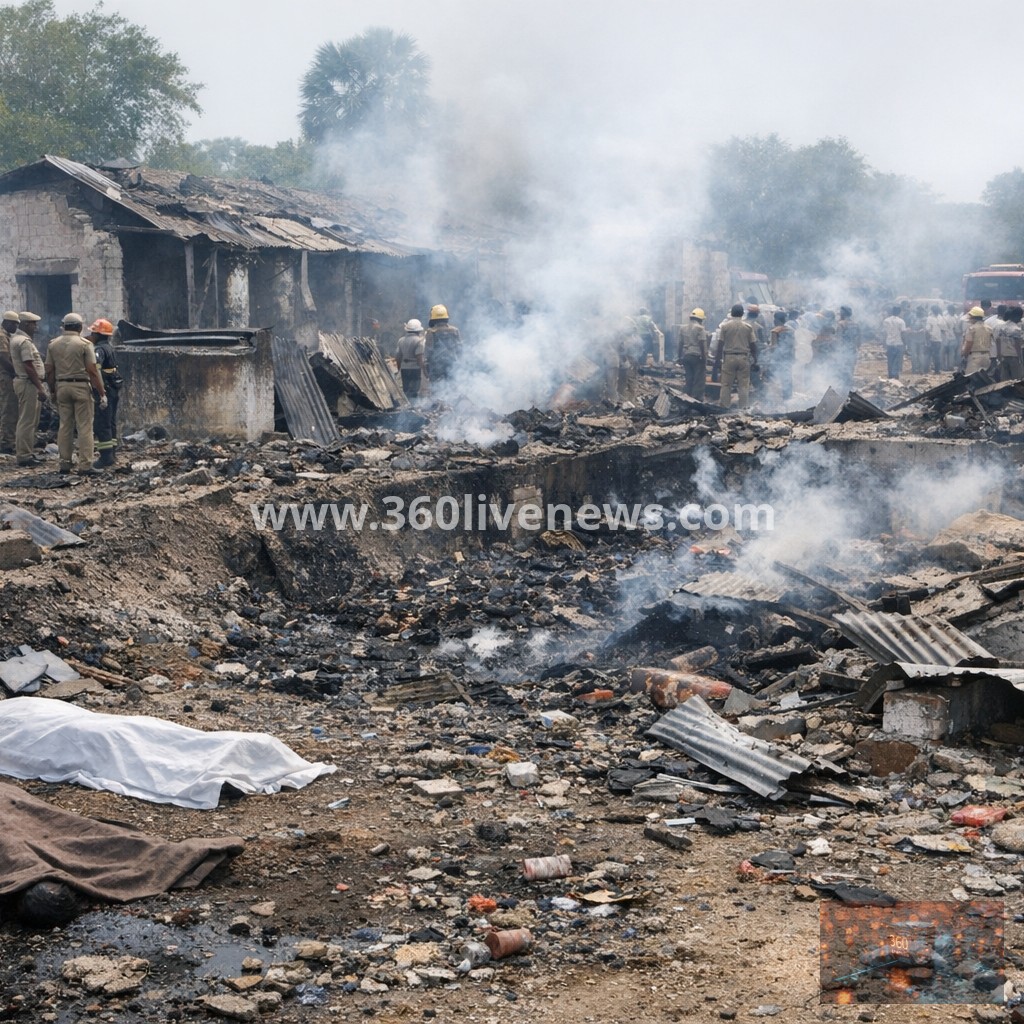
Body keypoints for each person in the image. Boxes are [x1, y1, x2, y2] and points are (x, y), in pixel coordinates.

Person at [44, 313, 106, 476]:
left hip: (62, 386)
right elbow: (92, 371)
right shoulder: (85, 344)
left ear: (64, 326)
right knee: (85, 427)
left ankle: (64, 464)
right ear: (79, 327)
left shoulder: (53, 345)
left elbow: (49, 371)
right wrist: (101, 392)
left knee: (65, 426)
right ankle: (85, 465)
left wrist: (52, 390)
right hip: (80, 387)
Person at [10, 312, 48, 467]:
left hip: (26, 382)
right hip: (28, 383)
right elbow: (29, 366)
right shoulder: (24, 341)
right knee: (27, 420)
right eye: (33, 324)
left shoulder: (16, 339)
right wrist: (40, 388)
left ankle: (28, 452)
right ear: (26, 324)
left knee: (31, 420)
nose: (36, 327)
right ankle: (24, 456)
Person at [83, 319, 122, 468]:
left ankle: (106, 458)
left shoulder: (98, 350)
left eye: (93, 333)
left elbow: (95, 369)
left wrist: (100, 391)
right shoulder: (109, 347)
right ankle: (112, 453)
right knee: (111, 421)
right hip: (113, 387)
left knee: (102, 423)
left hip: (105, 388)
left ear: (98, 334)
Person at [717, 303, 757, 409]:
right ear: (743, 314)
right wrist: (755, 359)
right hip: (743, 358)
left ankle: (724, 408)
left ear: (732, 313)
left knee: (726, 385)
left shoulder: (725, 326)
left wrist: (718, 360)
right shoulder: (748, 327)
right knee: (743, 385)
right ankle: (743, 409)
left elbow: (720, 344)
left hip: (729, 357)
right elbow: (753, 344)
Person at [425, 304, 462, 383]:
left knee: (438, 390)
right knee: (452, 388)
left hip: (436, 368)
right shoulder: (455, 330)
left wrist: (426, 364)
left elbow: (428, 351)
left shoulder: (431, 332)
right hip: (452, 365)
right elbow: (459, 349)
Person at [676, 308, 708, 399]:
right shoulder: (700, 328)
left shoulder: (683, 328)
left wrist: (679, 357)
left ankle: (686, 397)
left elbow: (680, 344)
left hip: (686, 356)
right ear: (700, 319)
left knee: (689, 378)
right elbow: (702, 343)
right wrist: (704, 357)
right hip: (697, 356)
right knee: (698, 380)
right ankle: (696, 399)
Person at [0, 311, 20, 454]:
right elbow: (4, 359)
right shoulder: (1, 336)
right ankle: (7, 443)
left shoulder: (5, 335)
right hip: (6, 377)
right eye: (14, 324)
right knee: (10, 409)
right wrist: (17, 373)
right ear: (7, 322)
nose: (15, 327)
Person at [395, 318, 427, 399]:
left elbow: (398, 357)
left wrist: (399, 368)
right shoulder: (420, 341)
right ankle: (413, 407)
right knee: (415, 391)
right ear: (418, 330)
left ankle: (407, 407)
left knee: (406, 390)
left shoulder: (401, 340)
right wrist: (424, 370)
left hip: (404, 368)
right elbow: (419, 358)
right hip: (415, 368)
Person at [768, 310, 796, 400]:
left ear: (776, 320)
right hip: (789, 357)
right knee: (787, 377)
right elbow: (793, 345)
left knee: (775, 378)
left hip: (779, 359)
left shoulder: (775, 331)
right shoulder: (791, 330)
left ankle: (775, 398)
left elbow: (774, 347)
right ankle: (788, 397)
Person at [961, 306, 994, 375]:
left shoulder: (972, 329)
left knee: (971, 379)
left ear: (973, 317)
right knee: (984, 379)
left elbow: (969, 344)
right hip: (986, 357)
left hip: (974, 357)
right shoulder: (989, 328)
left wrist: (964, 355)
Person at [835, 306, 861, 389]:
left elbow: (838, 339)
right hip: (853, 350)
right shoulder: (856, 324)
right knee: (850, 370)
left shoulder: (841, 324)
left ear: (843, 313)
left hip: (843, 351)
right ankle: (849, 387)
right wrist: (856, 348)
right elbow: (859, 339)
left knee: (842, 371)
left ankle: (843, 389)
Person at [995, 307, 1024, 380]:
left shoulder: (1000, 326)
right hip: (1014, 357)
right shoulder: (1016, 329)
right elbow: (1017, 345)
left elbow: (998, 341)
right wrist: (1020, 358)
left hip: (1003, 356)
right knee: (1017, 379)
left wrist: (999, 354)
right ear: (1017, 316)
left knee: (1005, 380)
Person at [881, 306, 908, 380]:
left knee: (890, 360)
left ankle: (890, 375)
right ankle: (895, 376)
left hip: (889, 343)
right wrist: (905, 343)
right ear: (899, 312)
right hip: (898, 343)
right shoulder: (901, 321)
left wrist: (884, 343)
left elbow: (884, 333)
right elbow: (903, 333)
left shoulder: (886, 320)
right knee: (897, 361)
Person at [924, 305, 945, 375]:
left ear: (932, 310)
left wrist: (927, 339)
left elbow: (927, 329)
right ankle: (937, 370)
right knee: (937, 355)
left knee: (928, 355)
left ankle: (926, 369)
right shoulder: (941, 318)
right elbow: (943, 330)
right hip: (938, 340)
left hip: (931, 339)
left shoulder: (929, 318)